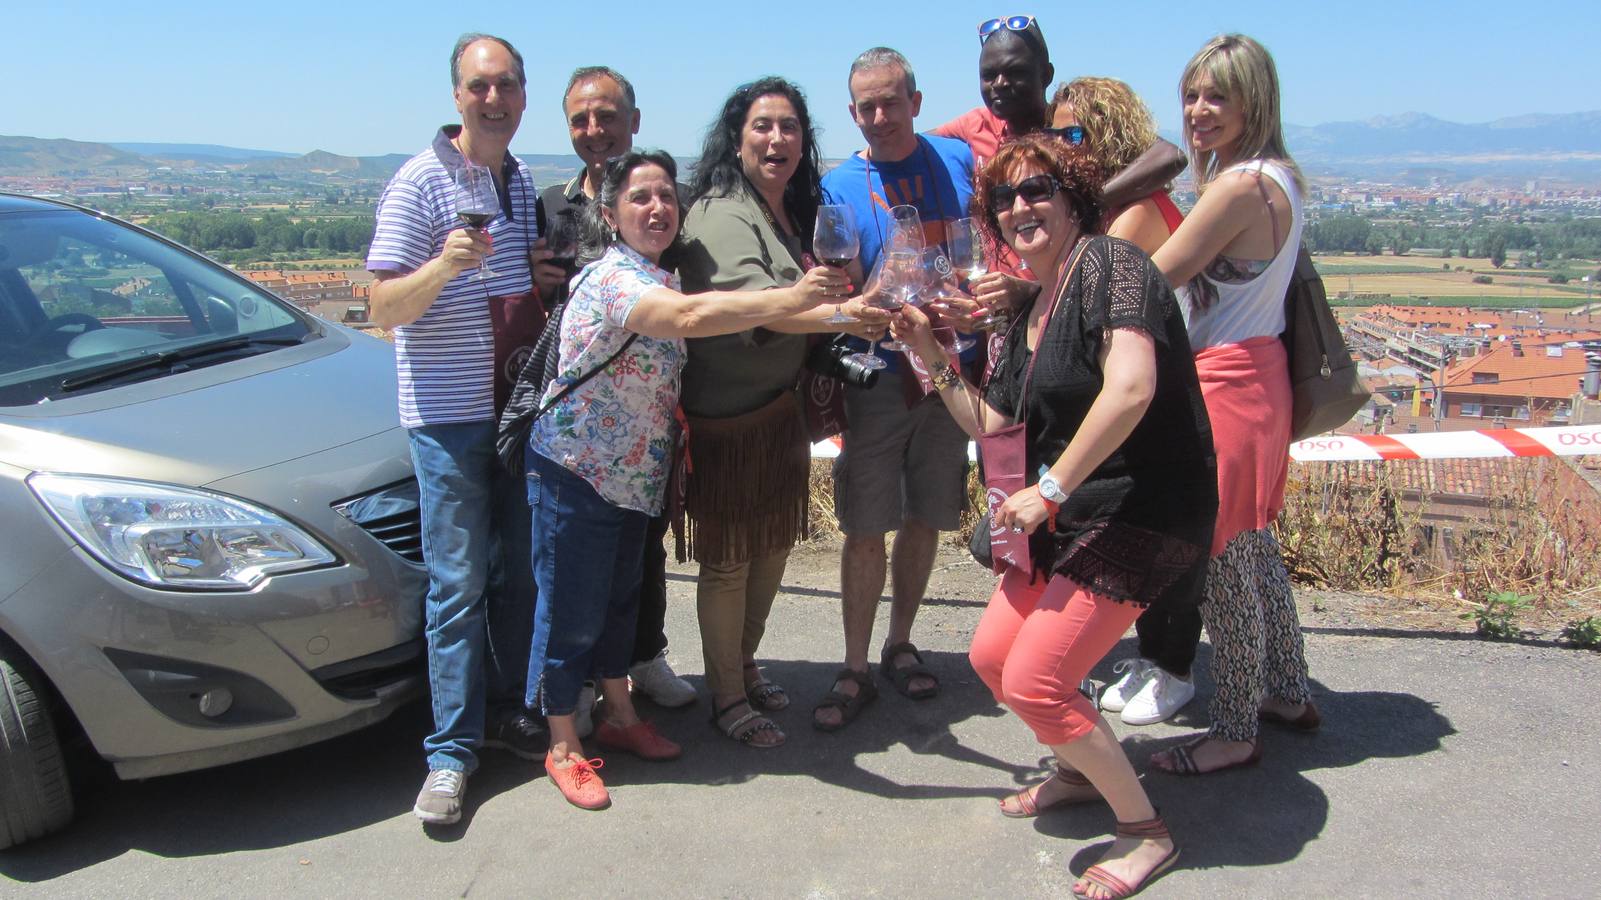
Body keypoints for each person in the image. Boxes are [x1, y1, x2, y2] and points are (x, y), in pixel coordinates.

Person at [889, 134, 1216, 899]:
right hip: (1066, 516)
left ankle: (1145, 831)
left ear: (1073, 200)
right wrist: (931, 353)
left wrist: (1055, 487)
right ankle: (1076, 770)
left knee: (1037, 680)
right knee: (993, 661)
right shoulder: (1030, 311)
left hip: (1140, 506)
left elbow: (1131, 388)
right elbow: (988, 424)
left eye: (1036, 190)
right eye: (1003, 199)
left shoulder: (1111, 266)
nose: (1019, 207)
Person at [524, 149, 848, 808]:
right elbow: (692, 321)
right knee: (569, 612)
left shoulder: (657, 275)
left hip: (630, 475)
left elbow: (729, 317)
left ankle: (619, 715)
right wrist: (794, 294)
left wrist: (847, 314)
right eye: (639, 197)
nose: (656, 208)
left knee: (618, 604)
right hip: (576, 471)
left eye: (666, 196)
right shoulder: (614, 279)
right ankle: (560, 744)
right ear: (609, 214)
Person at [676, 76, 890, 748]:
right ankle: (726, 696)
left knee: (769, 550)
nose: (777, 139)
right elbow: (765, 311)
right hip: (726, 422)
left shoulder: (785, 209)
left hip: (775, 414)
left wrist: (844, 312)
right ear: (736, 140)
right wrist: (848, 318)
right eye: (762, 126)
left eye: (789, 126)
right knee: (731, 560)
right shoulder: (722, 212)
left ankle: (741, 663)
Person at [367, 33, 546, 826]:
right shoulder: (419, 184)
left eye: (506, 85)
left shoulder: (520, 176)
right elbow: (381, 309)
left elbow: (513, 291)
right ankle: (448, 755)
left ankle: (505, 711)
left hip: (511, 412)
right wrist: (444, 266)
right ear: (456, 96)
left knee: (516, 576)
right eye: (480, 87)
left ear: (522, 94)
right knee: (457, 585)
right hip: (446, 420)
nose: (494, 99)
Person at [1148, 34, 1319, 776]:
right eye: (1190, 94)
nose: (1197, 111)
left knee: (1218, 559)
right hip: (1259, 376)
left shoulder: (1238, 186)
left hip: (1223, 383)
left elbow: (1156, 277)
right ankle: (1285, 690)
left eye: (1217, 95)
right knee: (1251, 545)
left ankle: (1234, 727)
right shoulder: (1281, 178)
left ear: (1255, 101)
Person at [811, 48, 978, 731]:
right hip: (879, 372)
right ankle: (853, 665)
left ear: (914, 99)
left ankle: (899, 643)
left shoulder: (958, 158)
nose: (879, 117)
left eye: (890, 101)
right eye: (865, 106)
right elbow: (839, 289)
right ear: (852, 113)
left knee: (926, 516)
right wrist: (871, 298)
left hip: (948, 370)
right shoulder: (839, 186)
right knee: (864, 524)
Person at [533, 66, 698, 723]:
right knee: (573, 587)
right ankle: (564, 716)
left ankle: (637, 662)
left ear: (634, 121)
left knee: (634, 566)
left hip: (642, 432)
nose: (594, 130)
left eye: (607, 116)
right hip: (580, 436)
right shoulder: (552, 204)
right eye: (580, 119)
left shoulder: (657, 210)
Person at [1050, 76, 1200, 727]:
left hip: (1158, 394)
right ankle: (1151, 656)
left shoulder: (1134, 216)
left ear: (1107, 134)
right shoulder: (1119, 209)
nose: (1062, 147)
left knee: (1165, 539)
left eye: (1074, 134)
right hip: (1145, 388)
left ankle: (1174, 667)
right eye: (1055, 136)